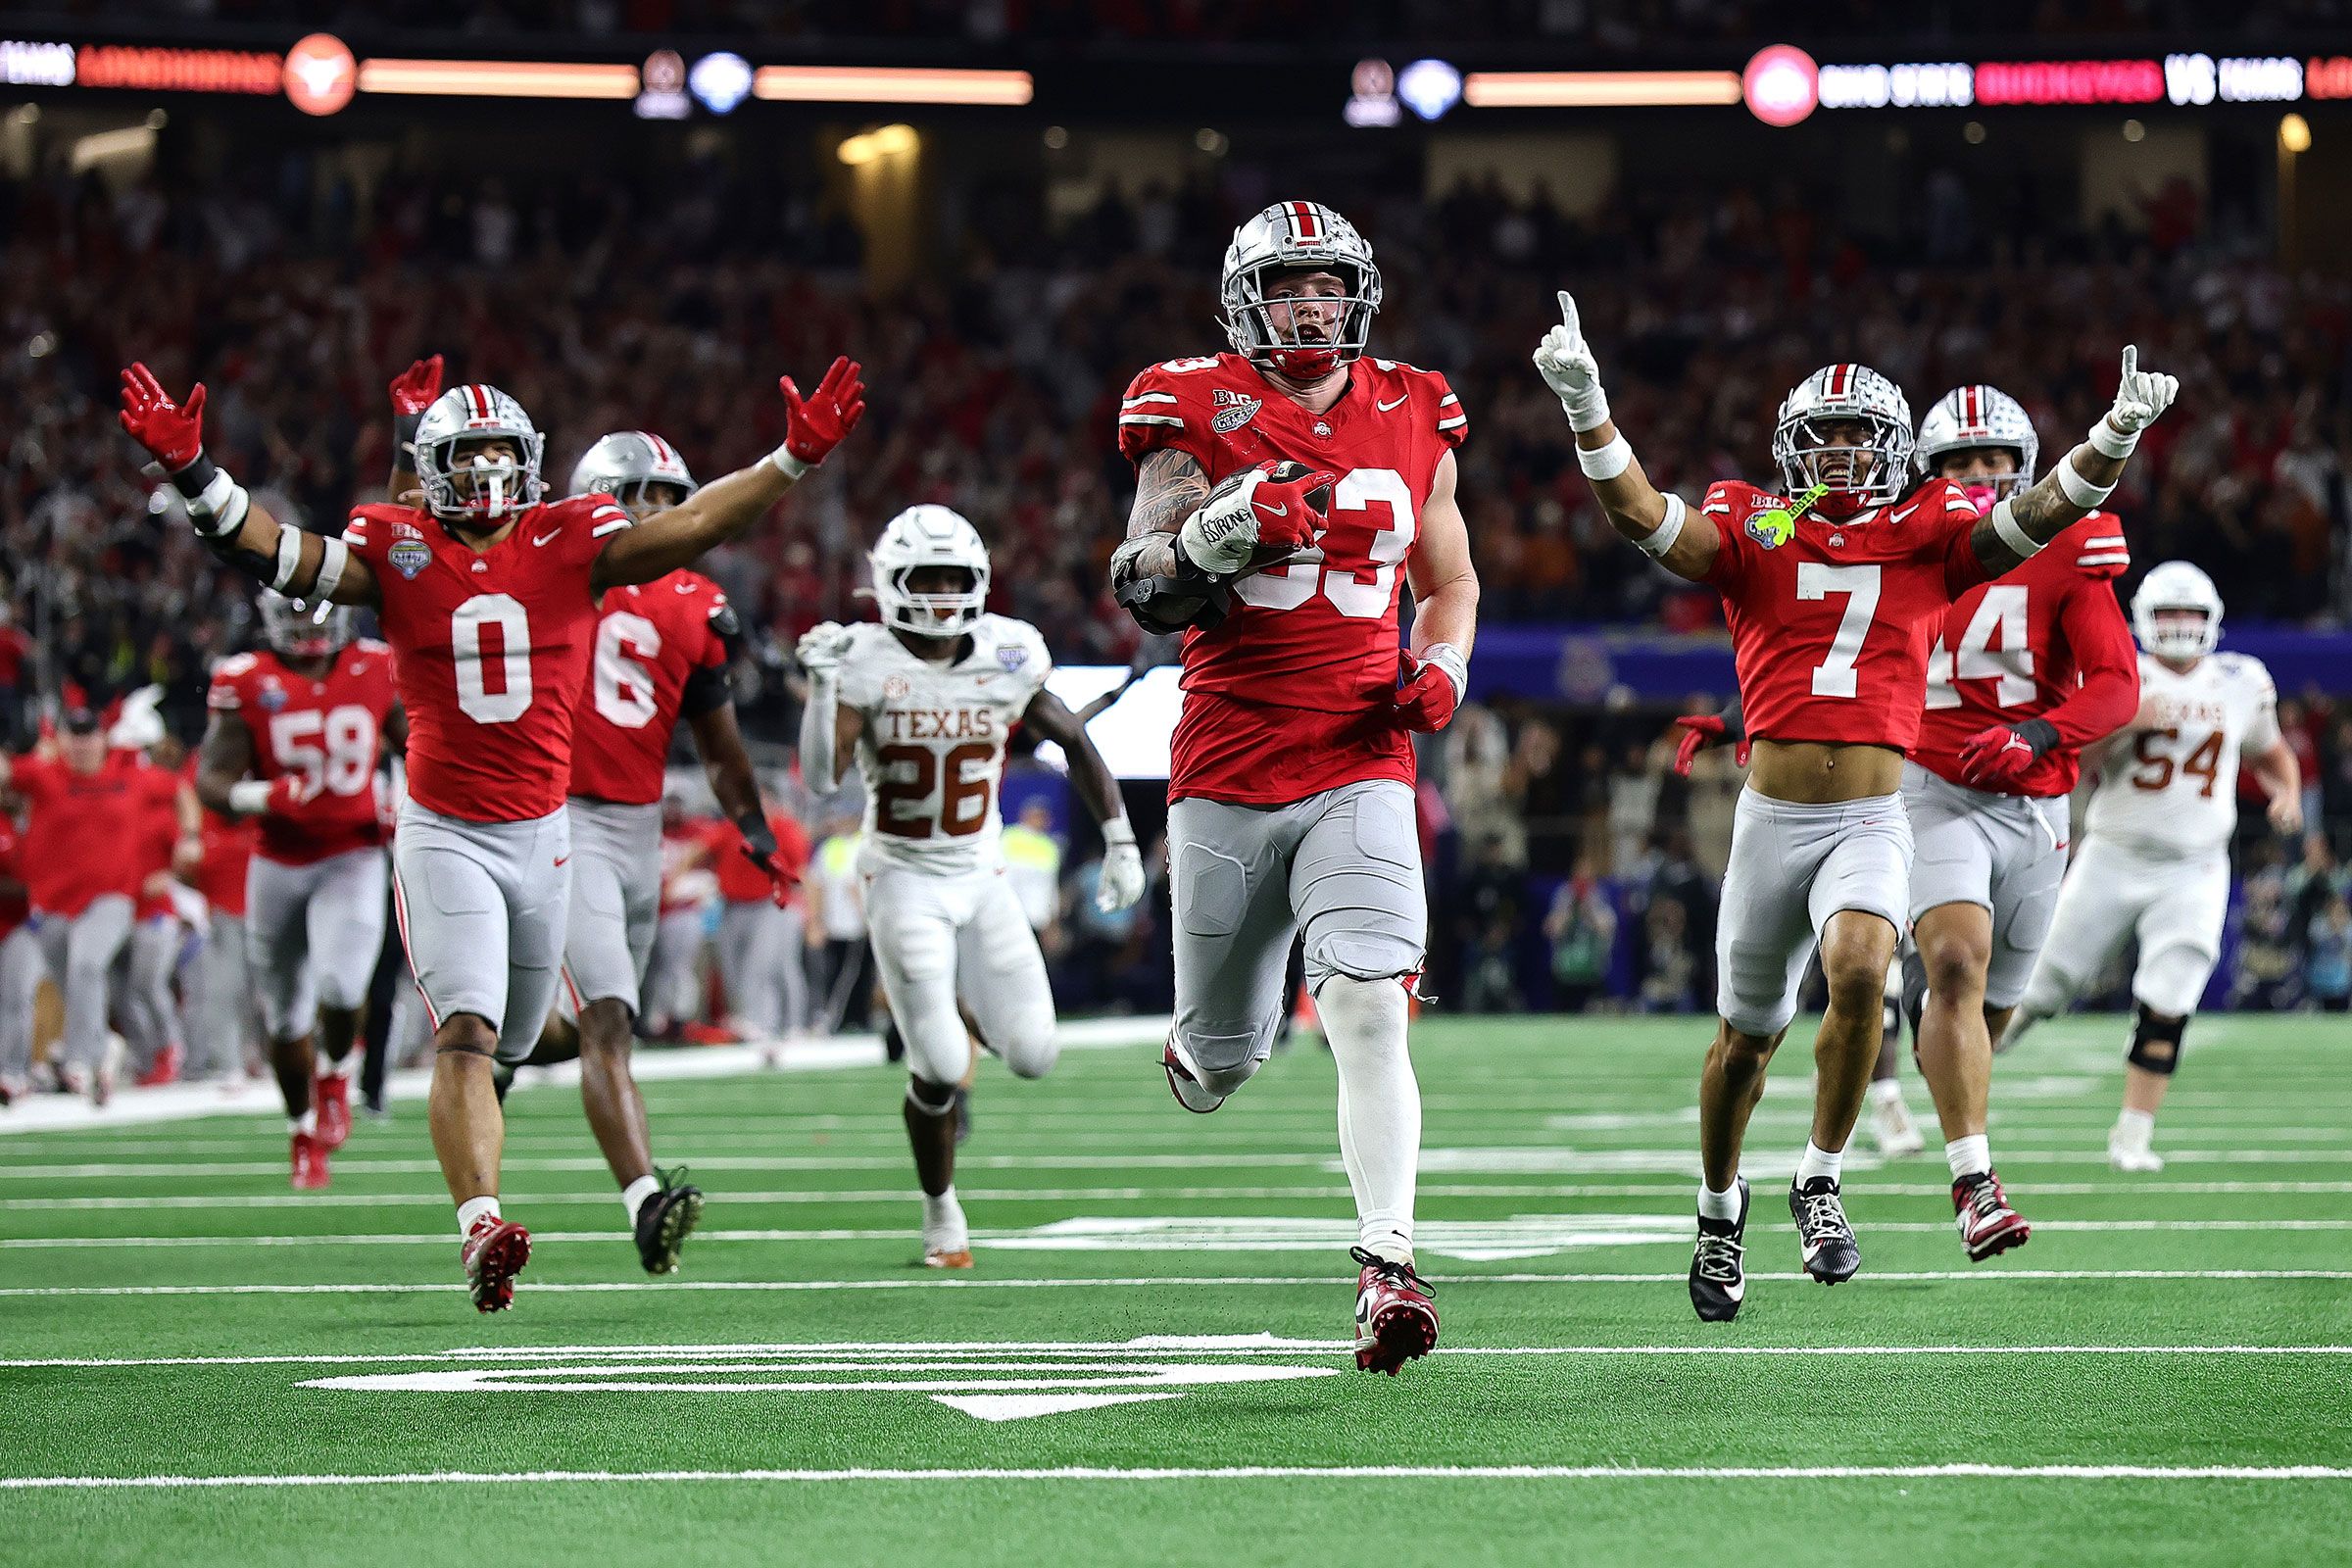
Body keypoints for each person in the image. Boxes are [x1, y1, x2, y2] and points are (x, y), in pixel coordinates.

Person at [120, 350, 864, 1309]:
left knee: (515, 1038)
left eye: (499, 457)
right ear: (430, 471)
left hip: (545, 834)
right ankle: (480, 1225)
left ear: (531, 461)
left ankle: (539, 1127)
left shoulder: (571, 535)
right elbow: (278, 551)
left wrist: (792, 459)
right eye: (463, 460)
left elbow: (686, 527)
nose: (483, 476)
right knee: (466, 1032)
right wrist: (193, 473)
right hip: (445, 830)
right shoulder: (398, 545)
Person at [1538, 292, 2177, 1321]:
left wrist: (2111, 437)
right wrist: (1589, 409)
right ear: (1793, 448)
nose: (1838, 453)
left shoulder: (1932, 531)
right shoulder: (1760, 520)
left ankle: (1820, 1178)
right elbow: (1646, 518)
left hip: (1878, 815)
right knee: (1743, 1040)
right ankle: (1718, 1206)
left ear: (1890, 449)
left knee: (1864, 970)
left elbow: (2040, 514)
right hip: (1771, 818)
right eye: (1821, 436)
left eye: (1855, 436)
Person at [1107, 200, 1477, 1374]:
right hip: (1226, 762)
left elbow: (1451, 578)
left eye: (1327, 283)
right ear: (1245, 301)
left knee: (1368, 1003)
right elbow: (1139, 576)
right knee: (1226, 1058)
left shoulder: (1418, 406)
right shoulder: (1191, 404)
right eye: (1289, 286)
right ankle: (1203, 1046)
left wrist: (1445, 666)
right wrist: (1216, 532)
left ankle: (1387, 1263)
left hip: (1362, 754)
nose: (1311, 304)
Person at [799, 505, 1143, 1270]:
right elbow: (822, 778)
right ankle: (941, 1212)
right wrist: (823, 696)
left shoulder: (1007, 651)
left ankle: (950, 1012)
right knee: (945, 1068)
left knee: (1034, 1053)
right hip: (903, 876)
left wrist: (1119, 838)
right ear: (892, 583)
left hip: (981, 872)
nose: (945, 592)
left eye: (957, 577)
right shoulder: (861, 659)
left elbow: (1071, 738)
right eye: (929, 577)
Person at [527, 428, 799, 1271]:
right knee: (609, 1016)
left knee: (597, 1025)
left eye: (670, 500)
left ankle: (489, 1047)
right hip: (558, 814)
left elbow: (717, 743)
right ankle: (646, 1202)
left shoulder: (694, 602)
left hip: (638, 827)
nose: (657, 514)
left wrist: (752, 825)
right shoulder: (557, 568)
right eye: (638, 496)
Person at [1892, 384, 2141, 1259]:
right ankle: (1975, 1182)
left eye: (1996, 459)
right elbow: (1828, 647)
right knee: (1956, 965)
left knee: (1989, 1011)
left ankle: (1926, 1050)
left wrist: (2036, 731)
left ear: (2027, 468)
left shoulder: (2070, 542)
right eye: (1961, 462)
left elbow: (2117, 684)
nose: (1982, 476)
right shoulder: (1905, 543)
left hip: (2036, 801)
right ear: (1927, 473)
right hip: (1930, 784)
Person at [1999, 563, 2303, 1171]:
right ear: (2144, 620)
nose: (2180, 627)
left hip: (2195, 865)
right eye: (2168, 615)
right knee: (2042, 986)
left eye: (2191, 615)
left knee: (2171, 995)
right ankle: (1961, 1068)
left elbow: (2271, 753)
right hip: (2114, 853)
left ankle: (2133, 1135)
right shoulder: (2119, 675)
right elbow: (2073, 769)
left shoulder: (2241, 680)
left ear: (2212, 620)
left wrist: (2286, 792)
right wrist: (2118, 723)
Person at [195, 595, 401, 1188]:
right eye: (297, 613)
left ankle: (337, 1071)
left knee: (341, 984)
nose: (309, 625)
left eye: (318, 611)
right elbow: (211, 781)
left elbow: (419, 745)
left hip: (352, 854)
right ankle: (300, 1129)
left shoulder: (375, 665)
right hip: (278, 860)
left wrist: (404, 808)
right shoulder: (246, 679)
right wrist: (263, 796)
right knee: (285, 1018)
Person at [1, 706, 194, 1103]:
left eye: (88, 735)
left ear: (102, 739)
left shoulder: (131, 775)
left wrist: (191, 836)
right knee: (71, 981)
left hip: (113, 898)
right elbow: (5, 774)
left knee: (87, 966)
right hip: (52, 904)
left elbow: (179, 789)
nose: (81, 744)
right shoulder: (45, 774)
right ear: (62, 740)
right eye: (73, 735)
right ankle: (102, 1044)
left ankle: (82, 1061)